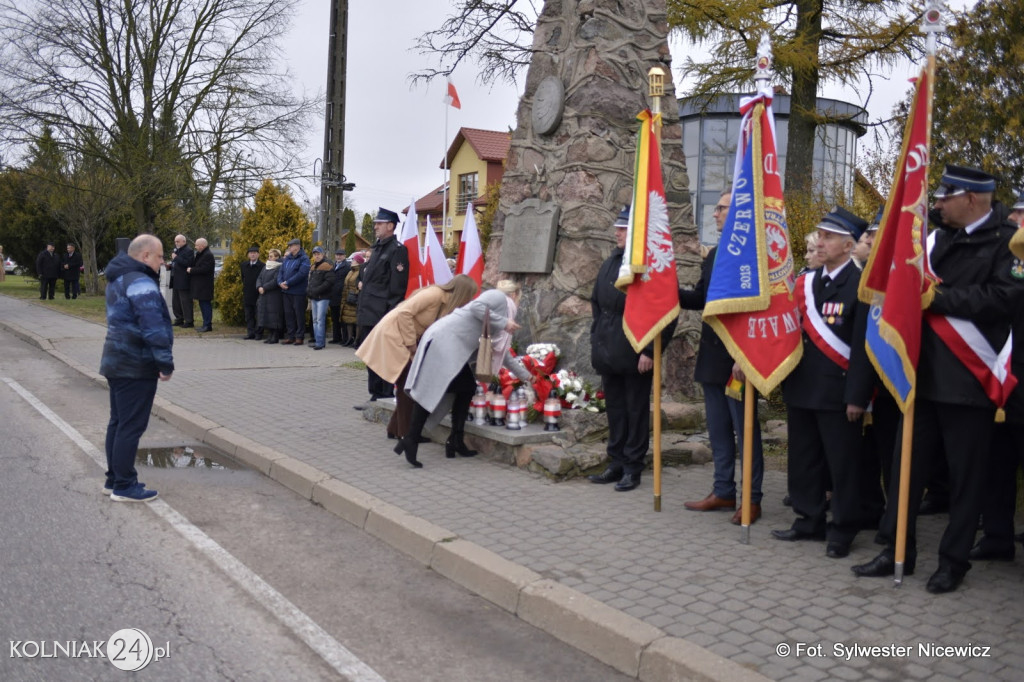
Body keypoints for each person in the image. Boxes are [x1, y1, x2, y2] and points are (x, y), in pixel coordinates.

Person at [853, 165, 1018, 594]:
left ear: (972, 199)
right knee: (906, 467)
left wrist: (938, 298)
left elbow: (1005, 298)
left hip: (969, 379)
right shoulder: (935, 237)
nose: (937, 204)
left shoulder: (1008, 241)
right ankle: (896, 550)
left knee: (965, 479)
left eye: (946, 197)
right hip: (920, 374)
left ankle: (953, 561)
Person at [772, 206, 873, 559]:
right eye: (822, 235)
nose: (823, 241)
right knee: (804, 459)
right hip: (802, 387)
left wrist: (857, 397)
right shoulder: (806, 283)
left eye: (830, 237)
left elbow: (862, 348)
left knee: (842, 465)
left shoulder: (860, 286)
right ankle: (808, 519)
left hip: (839, 391)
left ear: (849, 245)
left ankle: (843, 528)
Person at [678, 190, 765, 522]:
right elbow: (701, 297)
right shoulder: (714, 255)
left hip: (739, 361)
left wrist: (747, 355)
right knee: (718, 430)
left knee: (746, 432)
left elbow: (756, 311)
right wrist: (665, 291)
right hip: (713, 357)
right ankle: (724, 491)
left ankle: (751, 498)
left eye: (721, 208)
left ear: (738, 214)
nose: (714, 214)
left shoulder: (753, 254)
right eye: (715, 208)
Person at [588, 208, 677, 493]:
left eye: (623, 229)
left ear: (637, 233)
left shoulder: (650, 266)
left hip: (637, 353)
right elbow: (597, 304)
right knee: (615, 410)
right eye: (617, 227)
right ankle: (615, 462)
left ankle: (632, 467)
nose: (617, 232)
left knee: (635, 411)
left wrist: (650, 350)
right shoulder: (610, 262)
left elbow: (664, 311)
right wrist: (596, 337)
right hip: (609, 350)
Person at [401, 281, 533, 468]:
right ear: (514, 294)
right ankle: (413, 439)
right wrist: (504, 322)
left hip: (451, 344)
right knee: (431, 389)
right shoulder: (497, 297)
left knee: (465, 388)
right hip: (445, 342)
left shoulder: (504, 310)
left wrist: (527, 376)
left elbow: (500, 352)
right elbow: (477, 307)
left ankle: (454, 440)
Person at [357, 275, 478, 441]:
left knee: (408, 384)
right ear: (462, 292)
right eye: (469, 295)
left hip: (402, 339)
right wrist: (411, 343)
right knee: (408, 385)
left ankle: (395, 428)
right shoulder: (434, 294)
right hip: (394, 336)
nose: (469, 300)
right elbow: (404, 313)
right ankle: (407, 434)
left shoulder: (444, 301)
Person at [99, 234, 173, 502]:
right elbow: (153, 326)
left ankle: (113, 479)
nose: (163, 262)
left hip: (115, 361)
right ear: (145, 256)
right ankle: (125, 485)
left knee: (118, 422)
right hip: (135, 364)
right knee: (130, 426)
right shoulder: (141, 282)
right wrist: (165, 362)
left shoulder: (118, 278)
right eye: (160, 256)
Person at [357, 208, 410, 403]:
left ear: (390, 225)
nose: (376, 226)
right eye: (376, 223)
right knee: (371, 355)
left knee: (383, 356)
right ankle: (375, 394)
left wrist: (389, 315)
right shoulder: (377, 248)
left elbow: (397, 287)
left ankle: (384, 395)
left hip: (382, 313)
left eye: (379, 223)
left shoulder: (397, 250)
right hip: (368, 311)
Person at [277, 238, 310, 345]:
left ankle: (299, 337)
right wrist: (280, 282)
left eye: (291, 246)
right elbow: (281, 271)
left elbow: (302, 274)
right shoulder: (287, 259)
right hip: (286, 292)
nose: (289, 247)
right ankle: (290, 336)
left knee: (299, 314)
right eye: (289, 246)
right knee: (288, 314)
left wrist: (288, 283)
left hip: (298, 292)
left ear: (297, 246)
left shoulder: (304, 259)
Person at [306, 246, 336, 350]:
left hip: (323, 297)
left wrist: (317, 290)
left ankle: (320, 342)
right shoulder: (313, 266)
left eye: (318, 254)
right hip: (314, 297)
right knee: (315, 320)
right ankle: (318, 341)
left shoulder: (327, 265)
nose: (316, 256)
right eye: (315, 254)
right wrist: (309, 291)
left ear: (323, 254)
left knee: (320, 320)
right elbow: (310, 281)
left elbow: (329, 282)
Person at [257, 248, 284, 344]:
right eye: (269, 256)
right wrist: (259, 286)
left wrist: (264, 287)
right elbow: (259, 277)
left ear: (277, 257)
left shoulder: (279, 267)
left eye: (271, 256)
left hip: (274, 295)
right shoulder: (266, 266)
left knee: (274, 316)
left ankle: (275, 336)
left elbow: (275, 280)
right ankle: (270, 335)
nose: (269, 257)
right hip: (264, 295)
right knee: (267, 315)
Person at [188, 237, 216, 332]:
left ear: (202, 245)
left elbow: (204, 269)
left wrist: (191, 270)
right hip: (201, 285)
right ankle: (205, 324)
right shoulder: (201, 254)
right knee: (203, 304)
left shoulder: (208, 255)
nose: (195, 247)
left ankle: (207, 325)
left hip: (205, 285)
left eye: (197, 245)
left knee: (205, 305)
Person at [168, 234, 194, 327]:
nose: (176, 243)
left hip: (184, 280)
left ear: (184, 241)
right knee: (176, 302)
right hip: (175, 279)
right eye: (175, 241)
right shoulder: (177, 250)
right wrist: (170, 265)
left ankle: (189, 321)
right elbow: (177, 263)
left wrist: (176, 258)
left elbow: (188, 263)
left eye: (178, 241)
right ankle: (179, 319)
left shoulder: (189, 251)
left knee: (185, 301)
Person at [240, 245, 265, 340]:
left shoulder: (262, 266)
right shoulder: (244, 265)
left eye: (255, 253)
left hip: (258, 294)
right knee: (249, 315)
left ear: (258, 254)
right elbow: (243, 278)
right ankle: (250, 333)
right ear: (248, 255)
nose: (253, 254)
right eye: (251, 253)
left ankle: (259, 333)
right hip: (247, 293)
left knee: (258, 315)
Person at [340, 252, 363, 348]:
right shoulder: (350, 271)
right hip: (347, 298)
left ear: (358, 262)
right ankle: (350, 338)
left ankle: (357, 340)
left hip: (355, 299)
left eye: (353, 260)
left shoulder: (360, 272)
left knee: (356, 320)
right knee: (348, 319)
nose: (352, 261)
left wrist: (356, 293)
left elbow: (360, 285)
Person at [328, 249, 351, 344]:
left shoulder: (347, 266)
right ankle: (336, 337)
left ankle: (345, 338)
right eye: (337, 255)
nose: (338, 257)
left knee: (343, 318)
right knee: (335, 318)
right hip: (333, 295)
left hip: (342, 295)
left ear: (344, 256)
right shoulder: (333, 265)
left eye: (341, 255)